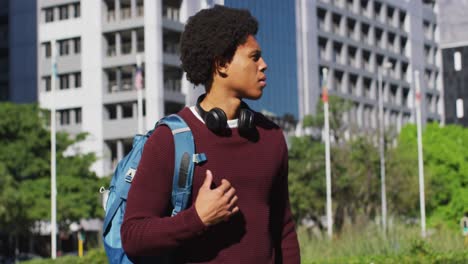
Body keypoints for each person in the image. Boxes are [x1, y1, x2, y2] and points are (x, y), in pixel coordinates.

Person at [121, 5, 300, 263]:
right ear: (222, 64)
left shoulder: (271, 137)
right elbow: (133, 236)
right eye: (254, 57)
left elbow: (283, 231)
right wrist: (197, 218)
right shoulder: (169, 140)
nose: (264, 65)